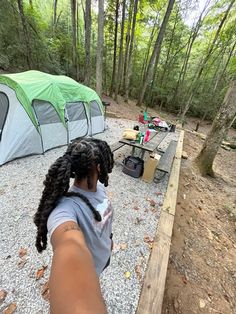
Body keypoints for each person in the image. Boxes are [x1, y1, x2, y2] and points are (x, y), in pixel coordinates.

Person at [34, 138, 114, 314]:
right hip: (90, 268)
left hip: (103, 258)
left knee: (96, 279)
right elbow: (69, 245)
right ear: (99, 167)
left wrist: (109, 240)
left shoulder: (99, 187)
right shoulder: (64, 210)